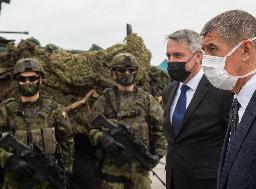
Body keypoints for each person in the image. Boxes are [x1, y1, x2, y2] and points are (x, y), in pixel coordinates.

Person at [201, 10, 256, 189]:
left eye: (212, 49)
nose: (205, 60)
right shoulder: (239, 103)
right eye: (204, 50)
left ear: (246, 50)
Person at [162, 29, 232, 189]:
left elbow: (235, 141)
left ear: (198, 56)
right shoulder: (169, 91)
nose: (171, 61)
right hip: (174, 181)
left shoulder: (221, 91)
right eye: (168, 56)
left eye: (178, 55)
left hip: (208, 183)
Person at [86, 52, 167, 189]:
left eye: (131, 70)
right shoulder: (104, 100)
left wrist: (158, 155)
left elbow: (161, 129)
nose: (127, 73)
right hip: (111, 174)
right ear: (114, 73)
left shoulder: (147, 100)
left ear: (137, 73)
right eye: (122, 70)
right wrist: (101, 138)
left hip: (139, 174)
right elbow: (90, 129)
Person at [0, 58, 74, 189]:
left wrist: (65, 171)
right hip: (14, 181)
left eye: (32, 78)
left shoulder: (55, 109)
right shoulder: (6, 109)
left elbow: (67, 142)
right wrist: (8, 158)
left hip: (47, 181)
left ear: (40, 80)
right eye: (22, 79)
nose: (27, 82)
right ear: (17, 81)